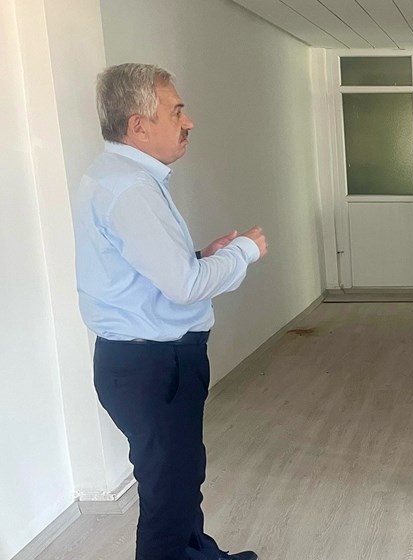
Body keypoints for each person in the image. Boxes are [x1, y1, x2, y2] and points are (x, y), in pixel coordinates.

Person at [72, 63, 265, 560]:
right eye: (176, 111)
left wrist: (201, 257)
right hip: (154, 365)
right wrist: (243, 251)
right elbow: (185, 287)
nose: (188, 121)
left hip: (145, 361)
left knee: (179, 477)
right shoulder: (131, 188)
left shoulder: (117, 177)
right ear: (138, 125)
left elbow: (147, 272)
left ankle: (197, 554)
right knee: (169, 494)